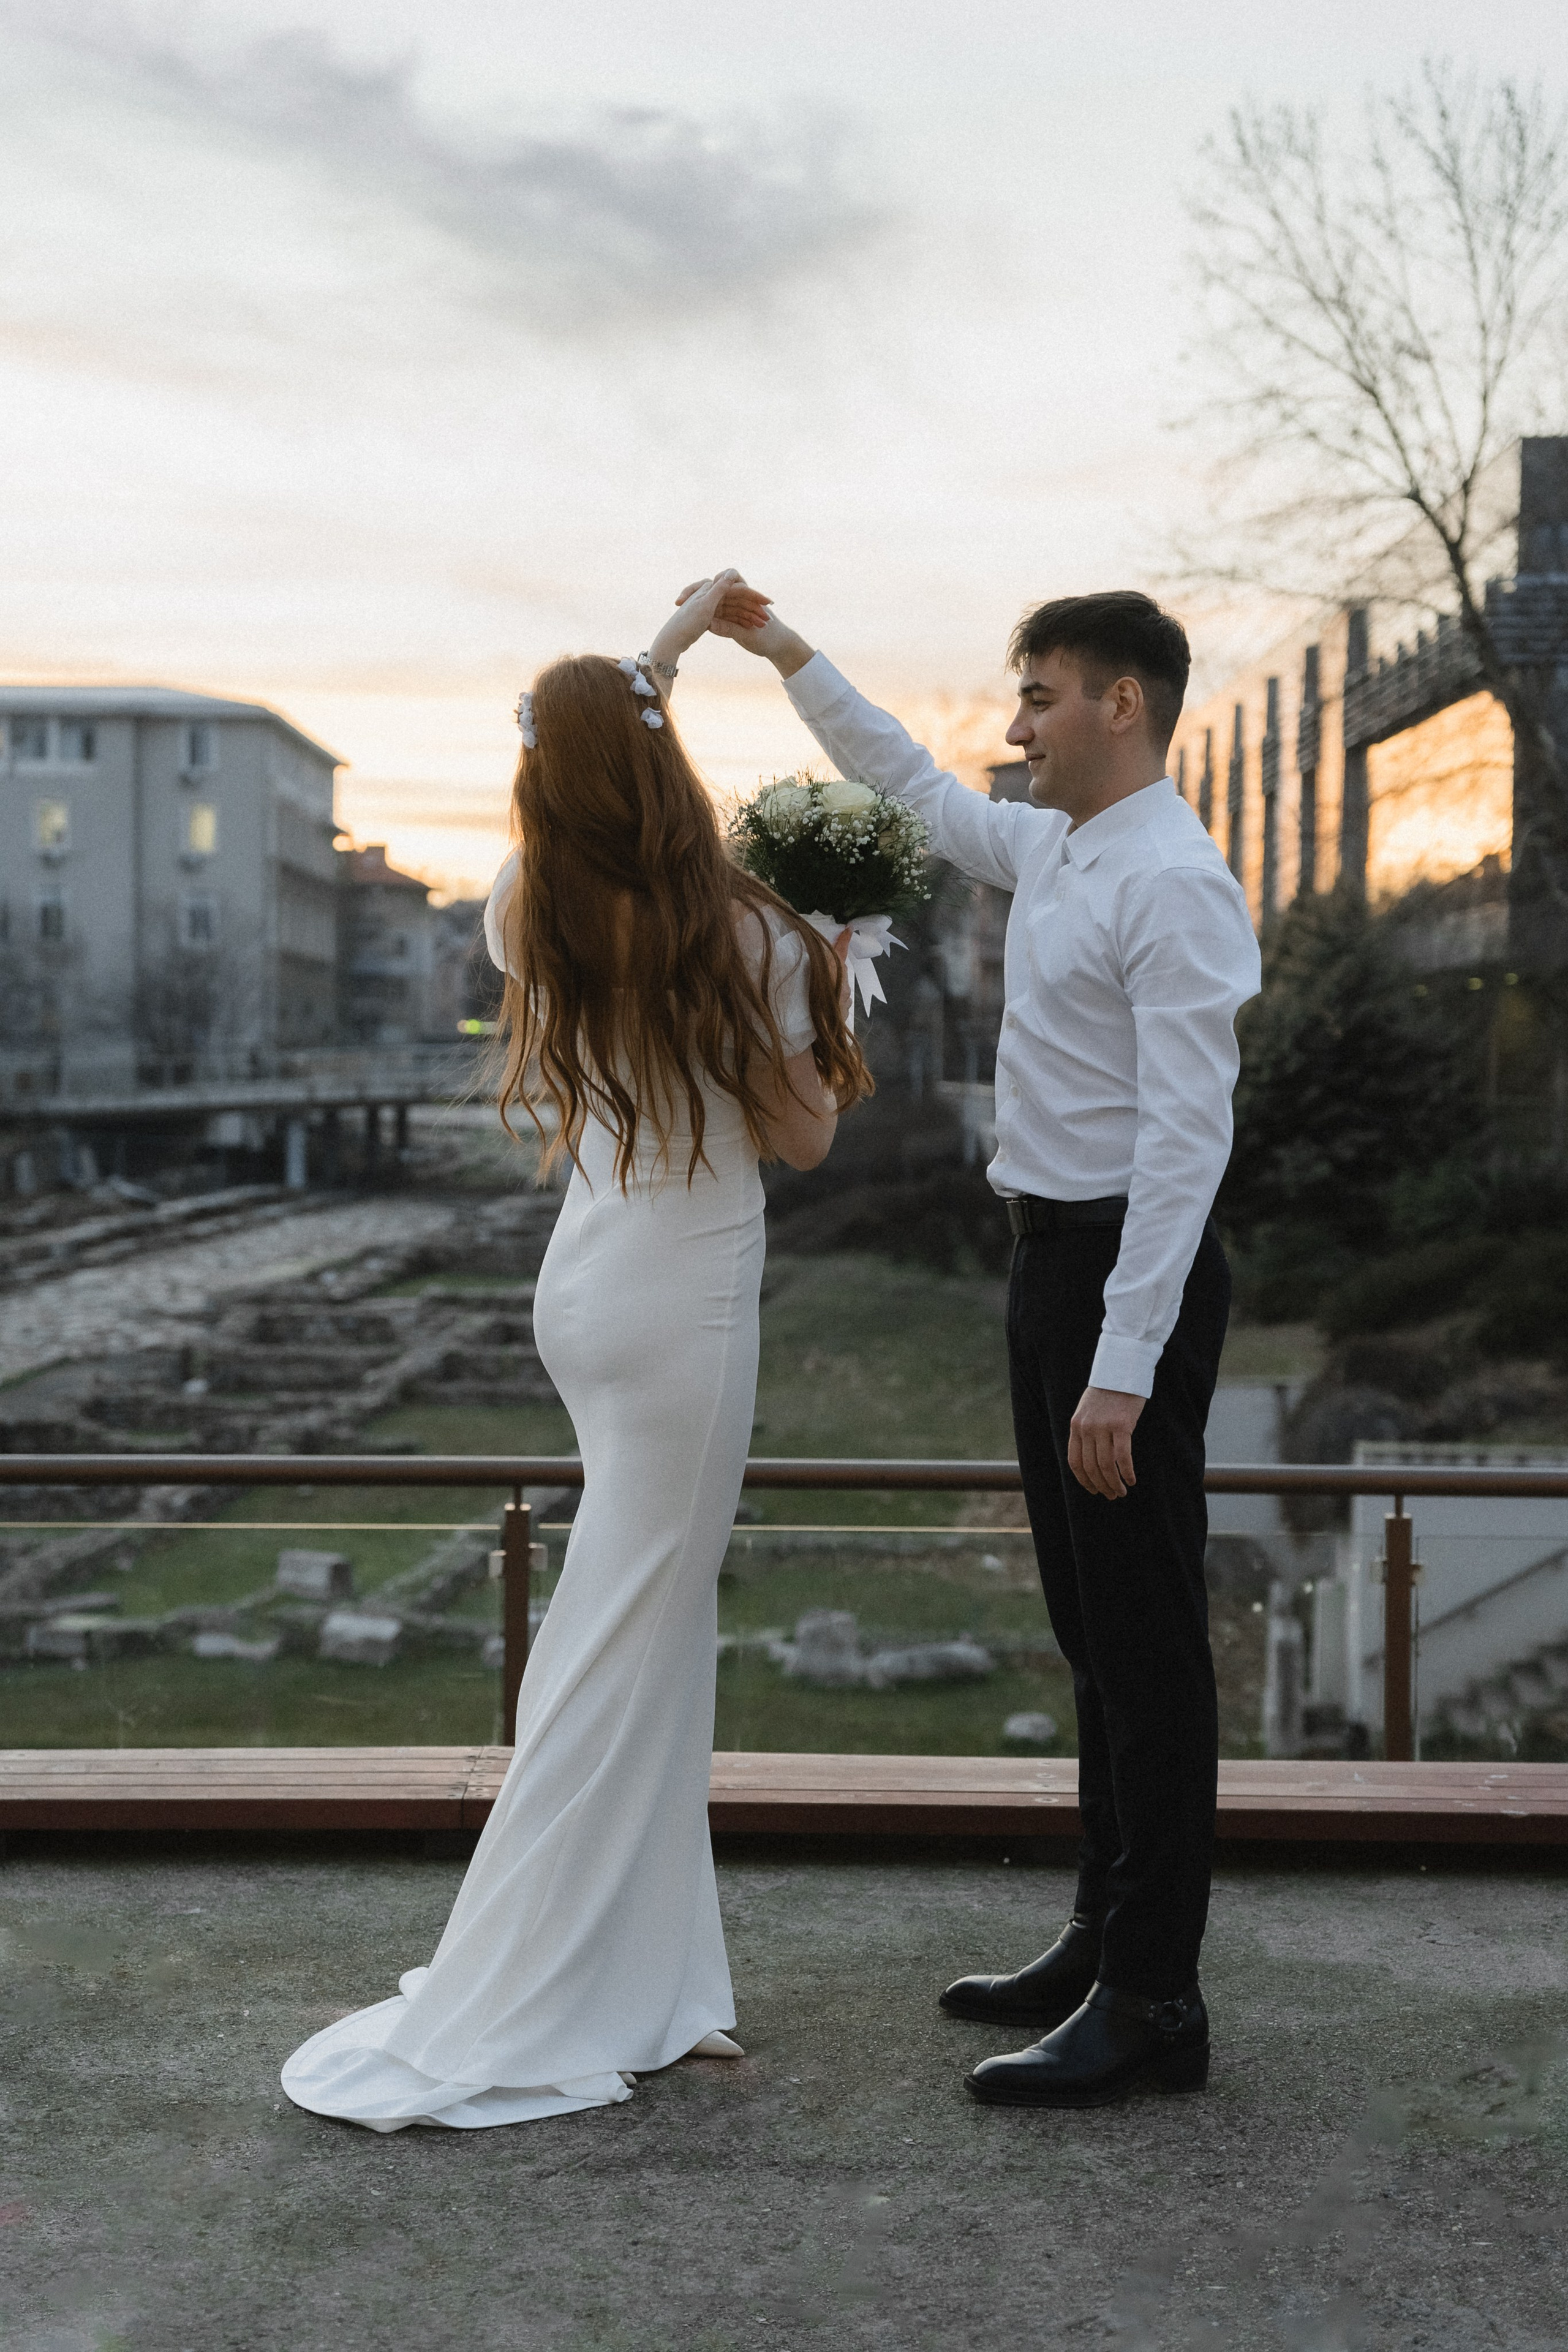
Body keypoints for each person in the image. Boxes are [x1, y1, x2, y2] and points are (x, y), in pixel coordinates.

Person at [281, 573, 867, 2131]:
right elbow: (802, 1138)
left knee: (648, 1639)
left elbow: (599, 738)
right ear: (666, 763)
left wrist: (660, 654)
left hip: (587, 1297)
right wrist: (831, 968)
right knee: (628, 1645)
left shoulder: (524, 904)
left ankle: (657, 1985)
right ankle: (540, 1972)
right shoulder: (746, 933)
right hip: (684, 1308)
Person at [703, 580, 1261, 2109]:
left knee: (1147, 1650)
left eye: (1039, 694)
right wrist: (784, 651)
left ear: (1120, 705)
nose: (1013, 726)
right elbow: (908, 783)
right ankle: (1099, 1934)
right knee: (1090, 1634)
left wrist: (1126, 1361)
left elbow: (1184, 1140)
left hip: (1118, 1284)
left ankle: (1156, 2001)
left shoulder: (1176, 883)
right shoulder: (1061, 847)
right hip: (1045, 1267)